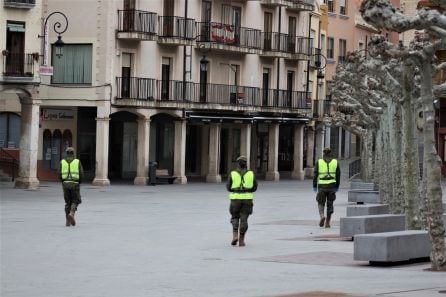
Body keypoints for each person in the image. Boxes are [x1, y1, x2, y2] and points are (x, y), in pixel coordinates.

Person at [226, 155, 257, 246]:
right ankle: (241, 239)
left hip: (235, 199)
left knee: (235, 216)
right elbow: (255, 187)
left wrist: (236, 190)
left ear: (238, 164)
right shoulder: (251, 174)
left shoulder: (233, 173)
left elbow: (228, 187)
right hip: (247, 199)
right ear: (246, 164)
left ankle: (235, 234)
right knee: (244, 219)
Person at [313, 147, 340, 228]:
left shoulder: (319, 162)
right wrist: (337, 186)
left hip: (322, 186)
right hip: (332, 186)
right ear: (330, 153)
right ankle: (327, 222)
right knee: (330, 204)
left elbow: (315, 175)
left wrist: (314, 186)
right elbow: (338, 175)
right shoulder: (335, 162)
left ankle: (322, 216)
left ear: (324, 154)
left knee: (320, 202)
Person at [59, 147, 84, 227]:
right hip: (75, 184)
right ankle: (72, 213)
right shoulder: (77, 162)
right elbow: (81, 173)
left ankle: (67, 221)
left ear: (66, 153)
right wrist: (79, 182)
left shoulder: (62, 162)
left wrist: (63, 182)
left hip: (65, 184)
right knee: (76, 200)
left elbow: (59, 174)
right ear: (73, 153)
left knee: (67, 202)